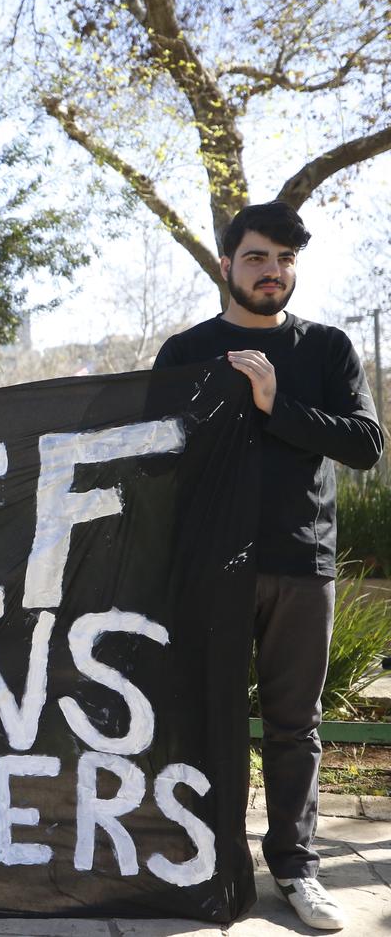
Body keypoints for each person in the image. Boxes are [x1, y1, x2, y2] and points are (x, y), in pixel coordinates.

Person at [154, 200, 383, 931]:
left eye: (285, 260)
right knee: (204, 718)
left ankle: (295, 867)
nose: (273, 272)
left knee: (294, 726)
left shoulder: (328, 349)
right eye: (257, 257)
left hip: (300, 564)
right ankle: (206, 863)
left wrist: (275, 403)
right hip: (211, 567)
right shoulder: (185, 350)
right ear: (226, 263)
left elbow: (364, 445)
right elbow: (153, 454)